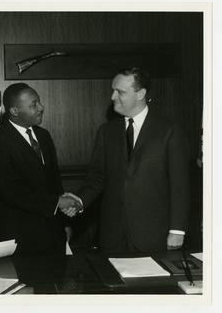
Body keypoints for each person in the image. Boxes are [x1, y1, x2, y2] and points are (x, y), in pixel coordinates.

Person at [74, 67, 190, 254]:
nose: (112, 97)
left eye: (120, 92)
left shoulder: (169, 131)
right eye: (113, 90)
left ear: (140, 94)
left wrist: (177, 230)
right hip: (112, 236)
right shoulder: (106, 132)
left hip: (154, 236)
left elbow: (180, 185)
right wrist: (78, 200)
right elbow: (97, 178)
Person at [0, 83, 82, 256]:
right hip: (21, 238)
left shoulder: (43, 136)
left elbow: (54, 182)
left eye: (39, 102)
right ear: (14, 111)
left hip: (53, 233)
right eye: (33, 105)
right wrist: (56, 203)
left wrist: (64, 223)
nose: (41, 108)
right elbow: (11, 192)